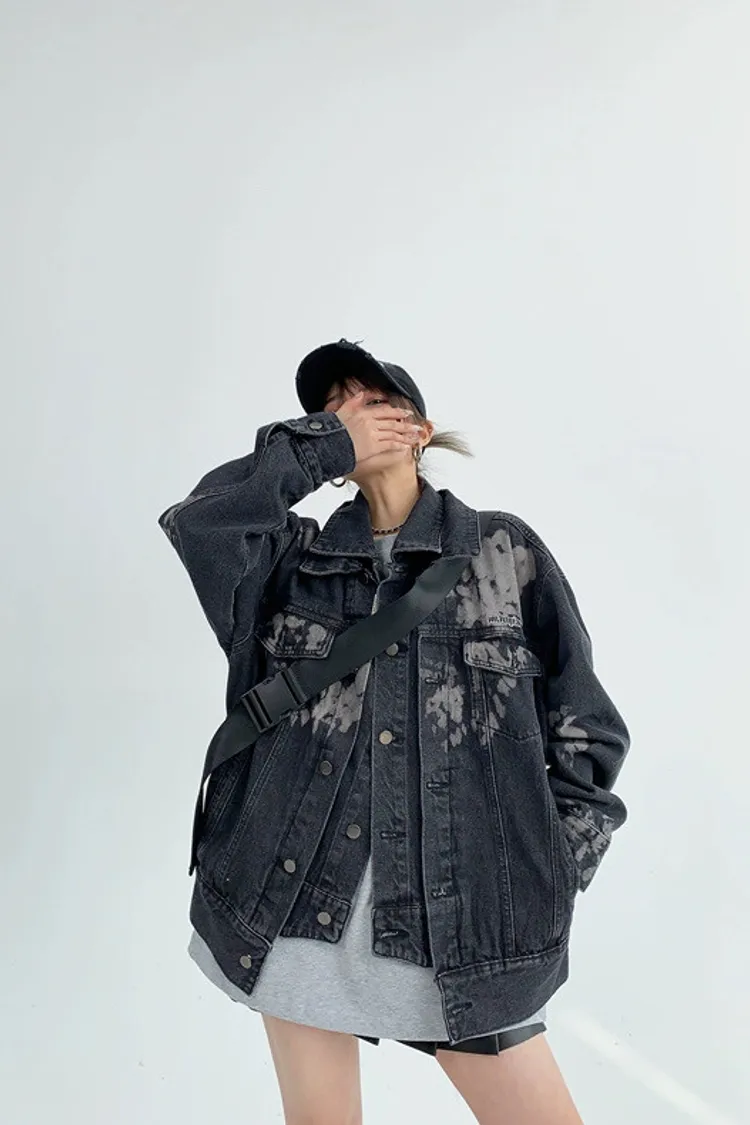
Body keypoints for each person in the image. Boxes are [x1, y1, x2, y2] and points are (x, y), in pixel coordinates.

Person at [157, 338, 630, 1125]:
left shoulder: (502, 552)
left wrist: (551, 868)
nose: (349, 414)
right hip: (291, 903)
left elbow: (589, 730)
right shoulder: (292, 563)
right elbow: (201, 522)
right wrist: (321, 448)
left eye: (370, 401)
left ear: (418, 429)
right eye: (332, 409)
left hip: (470, 925)